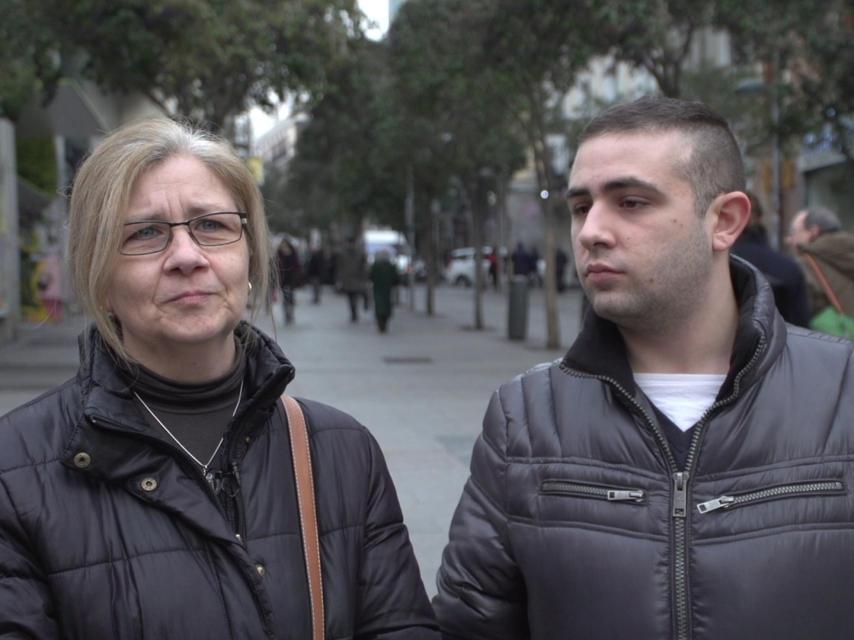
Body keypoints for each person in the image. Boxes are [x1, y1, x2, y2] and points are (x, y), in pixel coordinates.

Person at [0, 119, 439, 639]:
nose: (187, 256)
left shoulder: (342, 453)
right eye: (145, 233)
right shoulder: (15, 470)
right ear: (100, 274)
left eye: (211, 226)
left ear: (249, 255)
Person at [434, 97, 854, 639]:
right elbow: (469, 624)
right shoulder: (526, 417)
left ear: (724, 221)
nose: (591, 232)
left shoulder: (843, 392)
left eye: (630, 202)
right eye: (582, 206)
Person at [731, 191, 810, 326]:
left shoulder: (716, 265)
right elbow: (801, 326)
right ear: (761, 219)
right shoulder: (789, 267)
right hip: (780, 344)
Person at [786, 204, 854, 320]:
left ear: (813, 232)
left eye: (794, 232)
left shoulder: (805, 264)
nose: (789, 239)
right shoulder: (848, 250)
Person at [369, 250, 400, 333]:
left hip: (378, 289)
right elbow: (396, 279)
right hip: (387, 290)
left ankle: (381, 323)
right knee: (387, 306)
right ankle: (384, 323)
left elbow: (370, 276)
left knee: (379, 306)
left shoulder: (375, 266)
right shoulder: (390, 266)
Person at [338, 236, 368, 322]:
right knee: (351, 297)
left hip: (356, 278)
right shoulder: (343, 254)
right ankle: (353, 312)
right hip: (348, 279)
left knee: (355, 296)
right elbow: (340, 267)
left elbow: (364, 266)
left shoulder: (360, 253)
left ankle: (355, 312)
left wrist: (364, 276)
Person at [275, 237, 300, 323]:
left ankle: (291, 314)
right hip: (283, 280)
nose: (284, 247)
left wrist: (297, 278)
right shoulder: (279, 254)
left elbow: (297, 266)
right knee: (285, 298)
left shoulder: (293, 254)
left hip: (292, 280)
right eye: (283, 245)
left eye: (285, 245)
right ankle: (287, 315)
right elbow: (276, 267)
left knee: (291, 298)